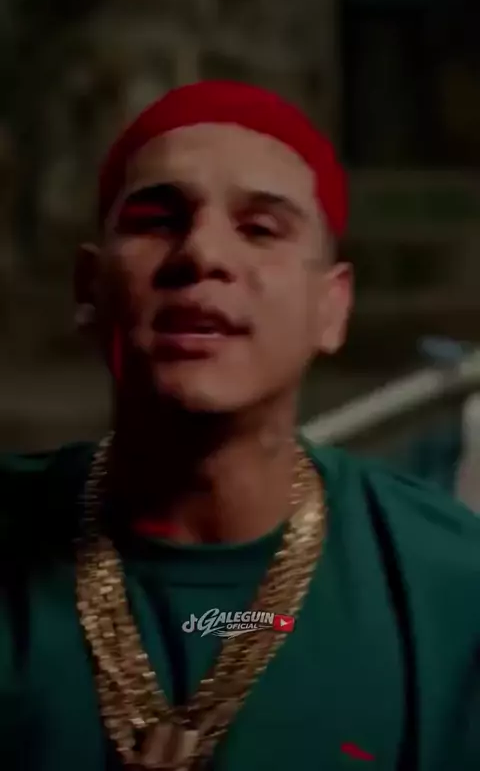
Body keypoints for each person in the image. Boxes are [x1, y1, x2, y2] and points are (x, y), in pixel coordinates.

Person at [0, 80, 479, 771]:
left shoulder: (451, 589)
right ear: (89, 288)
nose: (203, 254)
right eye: (157, 220)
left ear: (331, 307)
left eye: (260, 229)